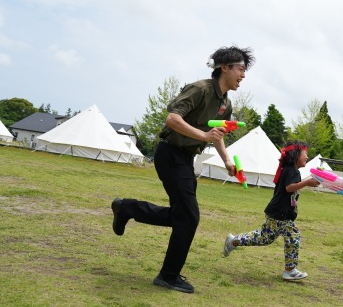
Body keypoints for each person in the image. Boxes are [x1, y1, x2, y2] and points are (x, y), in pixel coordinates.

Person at [111, 45, 255, 293]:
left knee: (182, 217)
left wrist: (227, 161)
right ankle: (168, 275)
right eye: (240, 69)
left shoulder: (226, 104)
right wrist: (203, 134)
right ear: (224, 68)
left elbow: (216, 135)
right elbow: (172, 119)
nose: (243, 75)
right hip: (170, 154)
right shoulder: (200, 89)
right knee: (189, 217)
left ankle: (127, 207)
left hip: (185, 159)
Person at [223, 140, 320, 281]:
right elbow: (289, 188)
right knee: (293, 236)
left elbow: (291, 186)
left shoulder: (289, 170)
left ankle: (234, 241)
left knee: (264, 238)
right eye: (305, 153)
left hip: (277, 212)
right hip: (281, 214)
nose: (307, 156)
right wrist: (306, 183)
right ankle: (290, 270)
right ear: (295, 155)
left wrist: (308, 181)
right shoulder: (292, 171)